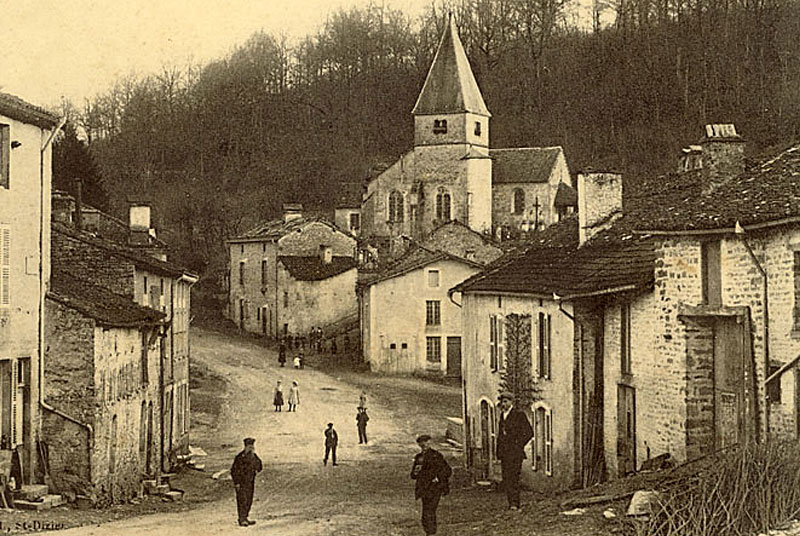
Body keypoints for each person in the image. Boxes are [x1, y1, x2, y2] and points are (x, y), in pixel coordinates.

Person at [496, 391, 533, 511]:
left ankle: (515, 503)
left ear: (511, 402)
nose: (503, 404)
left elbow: (529, 432)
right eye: (502, 402)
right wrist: (499, 451)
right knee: (506, 477)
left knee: (514, 477)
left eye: (505, 401)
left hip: (515, 453)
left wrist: (518, 445)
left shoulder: (519, 415)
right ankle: (510, 502)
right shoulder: (502, 416)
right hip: (505, 453)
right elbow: (500, 435)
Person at [410, 434, 452, 536]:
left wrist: (438, 477)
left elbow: (447, 470)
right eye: (422, 443)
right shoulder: (419, 458)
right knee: (426, 511)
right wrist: (416, 472)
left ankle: (431, 532)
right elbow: (413, 475)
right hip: (424, 488)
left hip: (434, 487)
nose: (424, 445)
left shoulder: (436, 456)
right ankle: (429, 532)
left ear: (429, 443)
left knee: (429, 510)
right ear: (419, 445)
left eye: (426, 442)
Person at [230, 437, 262, 527]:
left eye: (252, 447)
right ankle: (242, 519)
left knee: (249, 500)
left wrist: (256, 464)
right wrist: (236, 483)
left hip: (250, 482)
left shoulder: (254, 457)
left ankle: (245, 517)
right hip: (241, 483)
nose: (251, 448)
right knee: (242, 501)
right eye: (249, 447)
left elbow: (260, 467)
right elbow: (234, 471)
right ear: (245, 447)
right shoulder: (239, 458)